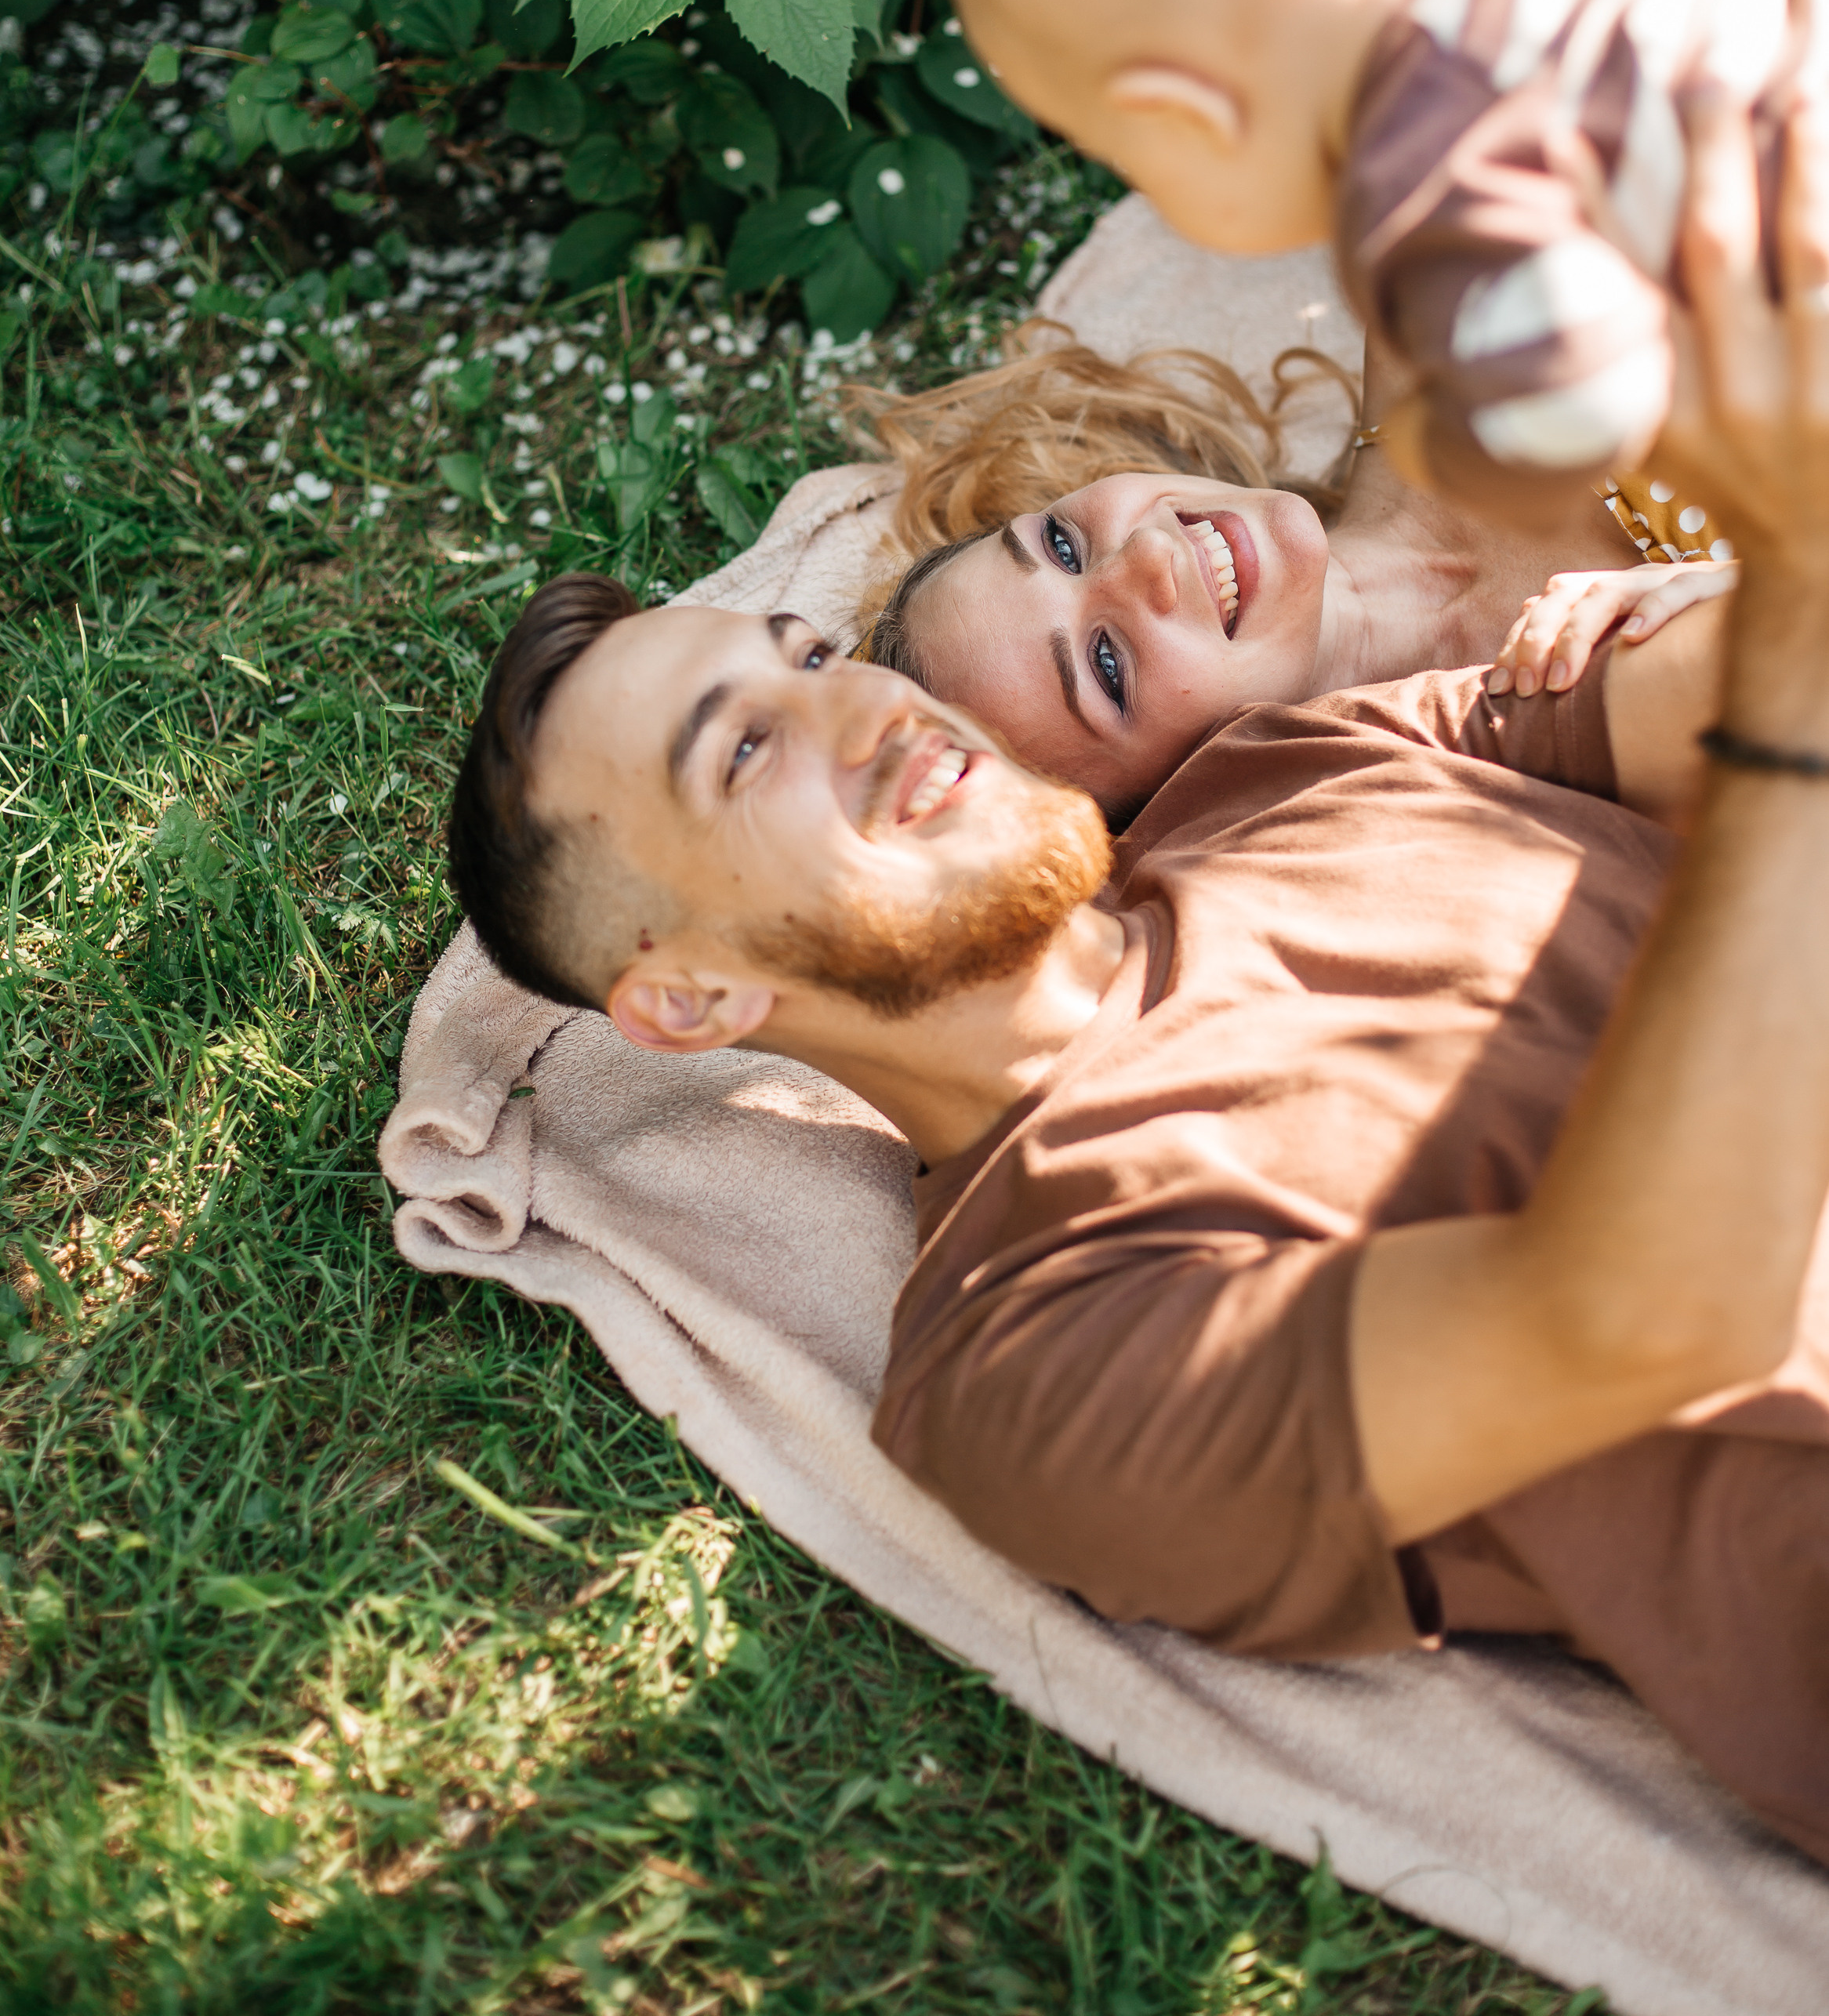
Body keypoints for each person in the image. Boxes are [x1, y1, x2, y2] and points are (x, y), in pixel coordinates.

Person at [443, 91, 1829, 1866]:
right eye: (744, 752)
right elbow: (1628, 1317)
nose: (859, 705)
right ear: (687, 1002)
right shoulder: (1031, 1352)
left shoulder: (1295, 773)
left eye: (804, 654)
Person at [945, 0, 1829, 527]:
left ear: (1190, 118)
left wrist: (1443, 444)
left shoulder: (1424, 192)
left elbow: (1587, 402)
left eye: (1127, 158)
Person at [854, 321, 1733, 822]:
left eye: (1061, 545)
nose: (1150, 554)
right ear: (1187, 788)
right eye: (1108, 667)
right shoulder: (1582, 725)